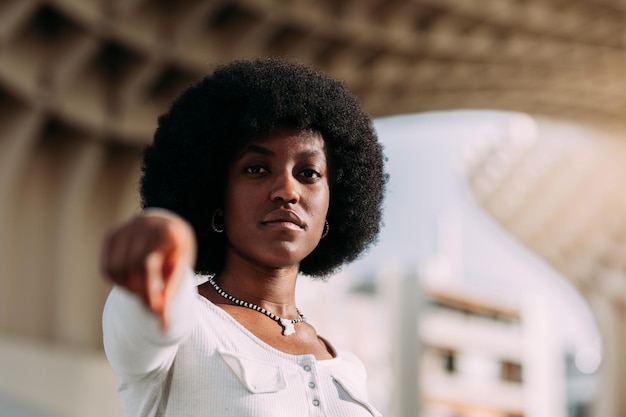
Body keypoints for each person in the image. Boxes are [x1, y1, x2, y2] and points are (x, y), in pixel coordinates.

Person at [101, 57, 387, 417]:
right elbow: (143, 315)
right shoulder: (184, 326)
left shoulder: (350, 368)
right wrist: (160, 237)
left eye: (309, 173)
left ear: (335, 202)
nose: (287, 190)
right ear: (214, 195)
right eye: (256, 169)